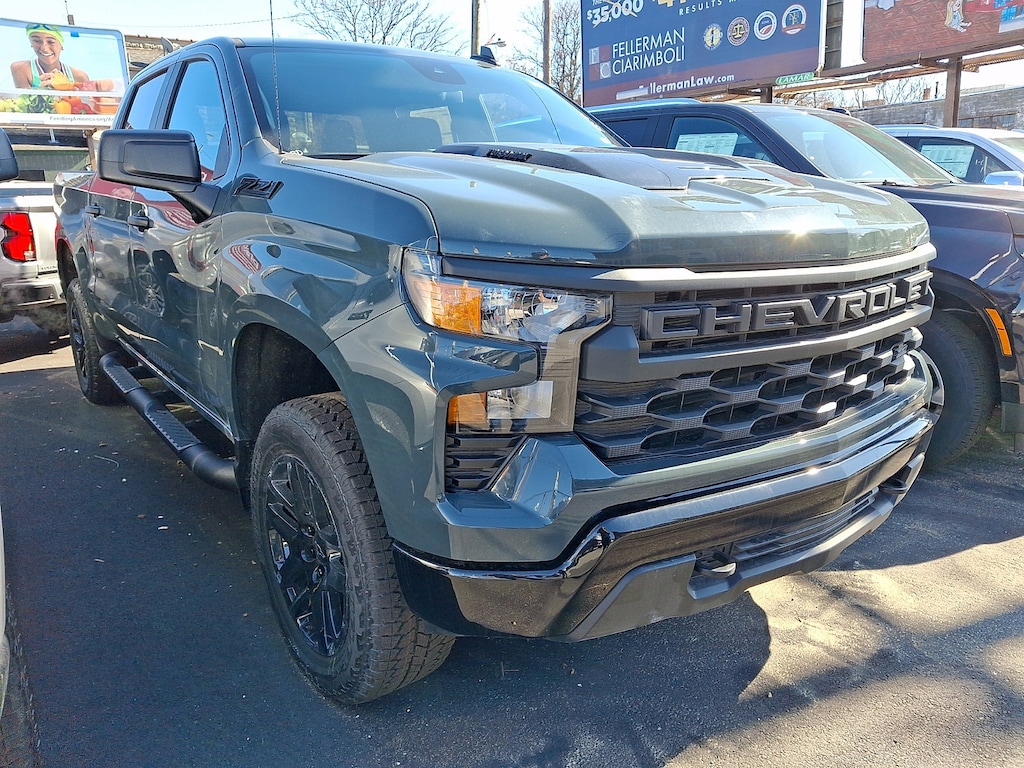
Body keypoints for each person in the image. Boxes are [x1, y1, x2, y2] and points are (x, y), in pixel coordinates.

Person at [10, 23, 112, 91]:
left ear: (61, 45)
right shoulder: (20, 69)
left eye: (51, 42)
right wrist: (41, 92)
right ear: (31, 43)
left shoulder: (79, 76)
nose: (44, 48)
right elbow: (24, 108)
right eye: (36, 41)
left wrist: (66, 90)